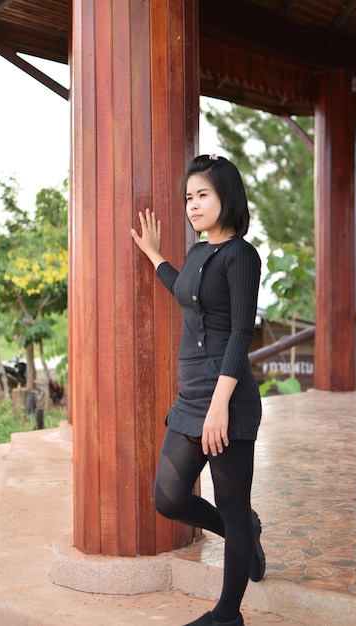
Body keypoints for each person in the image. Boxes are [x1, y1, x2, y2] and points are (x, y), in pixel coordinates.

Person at [131, 154, 265, 626]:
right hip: (191, 396)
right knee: (168, 498)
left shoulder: (242, 255)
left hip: (226, 397)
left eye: (202, 194)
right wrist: (154, 254)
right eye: (189, 196)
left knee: (231, 500)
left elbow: (241, 333)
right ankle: (243, 531)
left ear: (227, 195)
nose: (192, 204)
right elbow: (185, 291)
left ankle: (228, 615)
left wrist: (219, 406)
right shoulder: (196, 253)